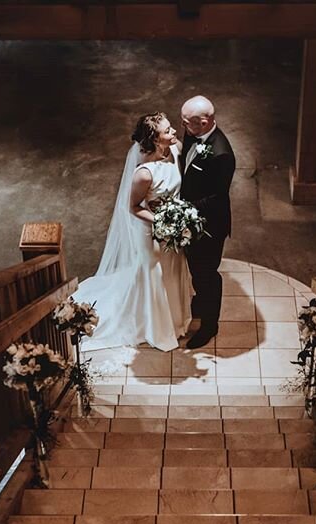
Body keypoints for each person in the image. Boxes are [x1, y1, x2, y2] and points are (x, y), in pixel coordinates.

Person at [74, 112, 192, 352]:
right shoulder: (144, 173)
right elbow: (133, 207)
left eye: (171, 128)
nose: (174, 133)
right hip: (150, 232)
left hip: (171, 229)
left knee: (172, 270)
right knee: (155, 274)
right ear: (156, 140)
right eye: (167, 131)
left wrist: (178, 219)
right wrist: (162, 221)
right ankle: (157, 326)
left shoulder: (176, 149)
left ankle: (176, 319)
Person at [180, 96, 236, 349]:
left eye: (187, 122)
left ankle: (209, 325)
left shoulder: (222, 154)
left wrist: (182, 208)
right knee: (194, 268)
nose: (183, 126)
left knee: (207, 275)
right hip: (191, 220)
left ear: (204, 122)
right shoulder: (193, 131)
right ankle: (200, 301)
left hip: (210, 227)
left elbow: (216, 197)